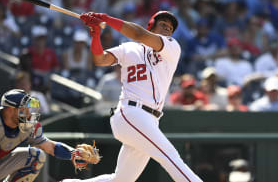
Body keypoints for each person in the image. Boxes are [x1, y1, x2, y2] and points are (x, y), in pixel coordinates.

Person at [63, 11, 203, 181]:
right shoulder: (129, 48)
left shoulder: (172, 47)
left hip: (150, 120)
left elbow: (139, 34)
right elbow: (100, 59)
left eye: (170, 28)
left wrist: (106, 19)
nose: (167, 30)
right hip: (131, 112)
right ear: (151, 26)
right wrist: (96, 36)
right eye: (163, 25)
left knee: (122, 179)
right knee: (171, 157)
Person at [0, 89, 86, 182]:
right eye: (24, 109)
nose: (29, 113)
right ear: (9, 110)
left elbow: (50, 147)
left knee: (36, 156)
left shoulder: (28, 127)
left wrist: (74, 154)